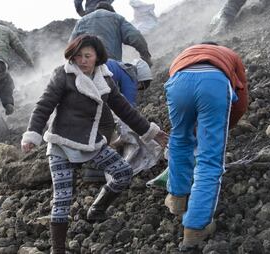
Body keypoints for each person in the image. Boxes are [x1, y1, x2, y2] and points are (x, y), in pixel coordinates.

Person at [20, 35, 167, 254]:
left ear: (97, 57)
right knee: (62, 198)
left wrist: (151, 132)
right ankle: (57, 249)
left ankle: (97, 209)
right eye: (78, 55)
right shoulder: (63, 75)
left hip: (91, 143)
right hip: (61, 143)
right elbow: (44, 106)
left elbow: (125, 110)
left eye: (87, 55)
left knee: (124, 172)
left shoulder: (106, 80)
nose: (82, 60)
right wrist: (32, 134)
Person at [163, 42, 248, 250]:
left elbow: (181, 94)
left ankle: (177, 198)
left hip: (178, 81)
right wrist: (223, 127)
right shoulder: (229, 55)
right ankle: (196, 227)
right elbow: (241, 100)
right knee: (210, 158)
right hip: (213, 83)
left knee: (179, 140)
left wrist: (194, 131)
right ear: (217, 48)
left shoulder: (184, 53)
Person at [70, 1, 152, 66]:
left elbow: (71, 45)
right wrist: (146, 56)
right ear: (112, 11)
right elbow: (135, 37)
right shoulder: (116, 18)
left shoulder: (81, 21)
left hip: (85, 65)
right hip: (109, 64)